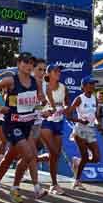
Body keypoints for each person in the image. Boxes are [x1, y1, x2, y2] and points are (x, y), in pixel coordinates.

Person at [0, 52, 48, 203]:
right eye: (25, 62)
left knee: (10, 157)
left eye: (31, 63)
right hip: (12, 124)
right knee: (28, 155)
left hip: (27, 124)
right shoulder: (11, 80)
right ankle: (15, 188)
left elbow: (38, 103)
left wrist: (43, 109)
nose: (29, 66)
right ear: (18, 64)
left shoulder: (36, 82)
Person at [67, 76, 101, 190]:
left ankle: (77, 161)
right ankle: (77, 181)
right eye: (91, 84)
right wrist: (80, 120)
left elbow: (94, 114)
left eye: (94, 84)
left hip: (90, 130)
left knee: (96, 158)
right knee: (85, 156)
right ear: (84, 86)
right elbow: (68, 115)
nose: (93, 86)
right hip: (80, 130)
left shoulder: (95, 98)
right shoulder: (79, 98)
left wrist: (96, 121)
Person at [40, 63, 69, 195]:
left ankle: (33, 160)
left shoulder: (63, 87)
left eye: (59, 71)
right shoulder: (43, 87)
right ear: (49, 73)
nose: (59, 73)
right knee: (53, 152)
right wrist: (48, 109)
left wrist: (66, 107)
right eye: (56, 71)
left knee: (55, 154)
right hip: (45, 122)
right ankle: (54, 184)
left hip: (58, 121)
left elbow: (66, 102)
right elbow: (43, 104)